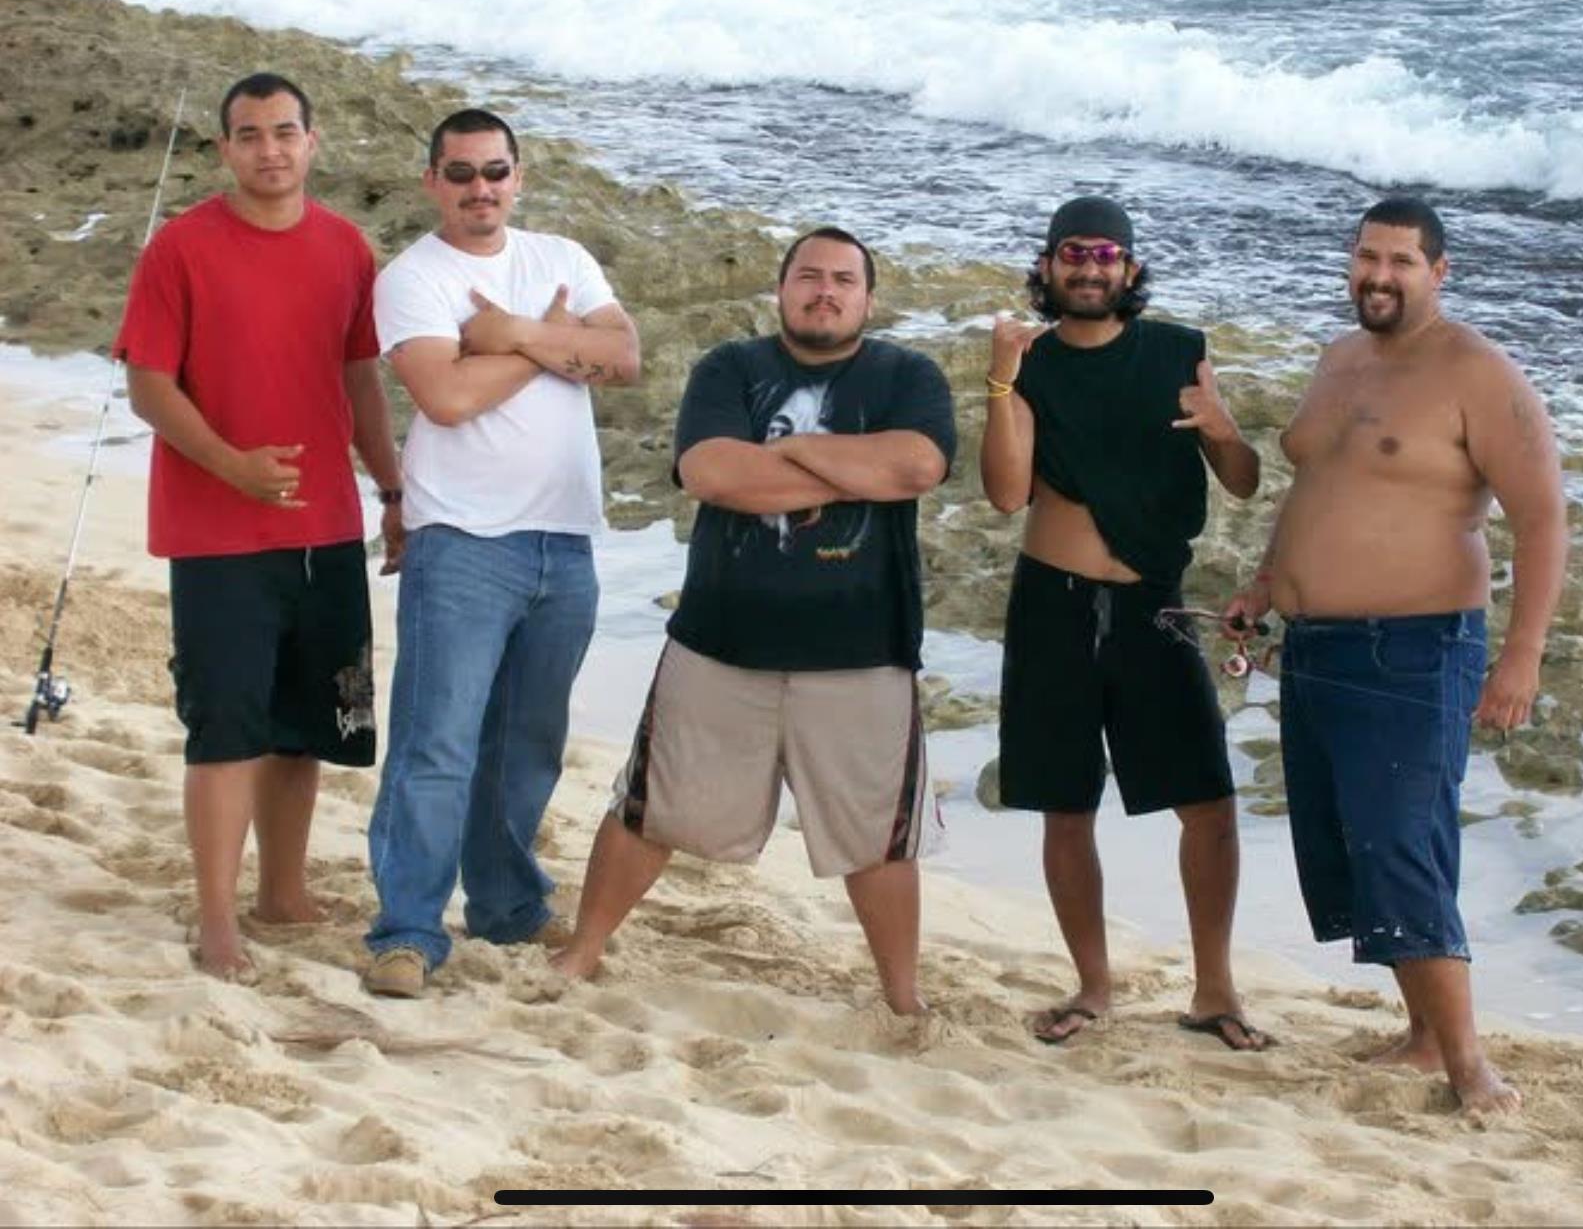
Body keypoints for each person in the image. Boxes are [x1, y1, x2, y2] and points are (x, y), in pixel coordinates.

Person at [549, 228, 955, 1015]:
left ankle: (902, 998)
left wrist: (791, 458)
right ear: (781, 289)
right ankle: (583, 951)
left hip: (863, 648)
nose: (825, 291)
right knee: (647, 810)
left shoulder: (908, 374)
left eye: (843, 279)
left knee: (878, 836)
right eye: (809, 276)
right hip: (720, 640)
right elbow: (712, 473)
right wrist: (849, 472)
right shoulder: (731, 368)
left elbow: (916, 466)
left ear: (868, 298)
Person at [1223, 196, 1567, 1112]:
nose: (1378, 275)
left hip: (1414, 649)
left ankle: (1470, 1070)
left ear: (1438, 271)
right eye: (1366, 257)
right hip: (1316, 645)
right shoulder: (1340, 359)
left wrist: (1520, 657)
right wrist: (1265, 585)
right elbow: (1319, 487)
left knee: (1403, 846)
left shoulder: (1476, 373)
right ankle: (1420, 1038)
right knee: (1355, 846)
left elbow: (1542, 519)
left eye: (1401, 262)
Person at [116, 73, 403, 980]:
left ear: (312, 142)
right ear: (224, 150)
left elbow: (361, 380)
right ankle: (217, 921)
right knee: (226, 730)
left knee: (305, 727)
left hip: (324, 529)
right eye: (250, 135)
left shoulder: (348, 249)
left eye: (285, 131)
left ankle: (282, 892)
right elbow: (148, 384)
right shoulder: (181, 249)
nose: (269, 149)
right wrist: (231, 465)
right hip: (215, 535)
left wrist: (393, 492)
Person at [362, 109, 641, 998]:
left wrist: (512, 332)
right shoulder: (412, 277)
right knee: (436, 745)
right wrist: (553, 343)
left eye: (494, 171)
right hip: (461, 542)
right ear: (432, 183)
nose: (478, 189)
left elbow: (625, 356)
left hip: (566, 538)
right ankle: (406, 928)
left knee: (528, 745)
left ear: (518, 176)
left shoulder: (561, 258)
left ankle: (506, 906)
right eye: (459, 173)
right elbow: (443, 396)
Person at [979, 195, 1269, 1049]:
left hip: (1155, 601)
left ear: (1130, 270)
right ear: (1046, 268)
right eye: (1073, 253)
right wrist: (998, 380)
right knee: (1065, 806)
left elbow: (1244, 480)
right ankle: (1092, 986)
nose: (1090, 267)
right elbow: (1003, 493)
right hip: (1053, 603)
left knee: (1207, 804)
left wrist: (1221, 429)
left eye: (1107, 255)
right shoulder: (1027, 363)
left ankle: (1214, 992)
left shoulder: (1179, 353)